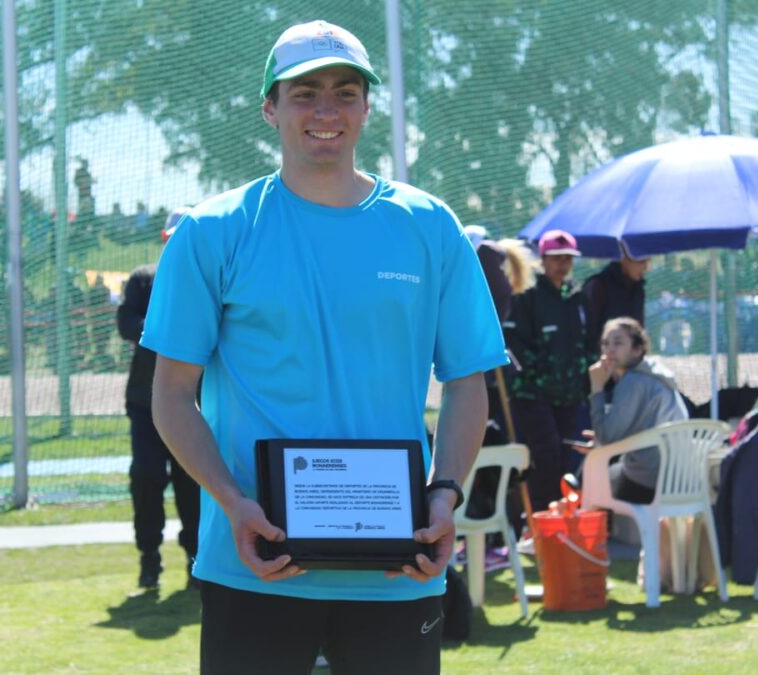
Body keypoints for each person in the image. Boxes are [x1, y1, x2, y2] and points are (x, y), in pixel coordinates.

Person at [141, 20, 504, 675]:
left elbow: (467, 381)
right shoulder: (212, 231)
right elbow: (170, 394)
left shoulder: (430, 226)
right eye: (304, 93)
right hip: (257, 563)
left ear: (366, 108)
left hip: (398, 568)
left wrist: (446, 492)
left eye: (345, 92)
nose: (326, 111)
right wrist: (232, 503)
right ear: (270, 108)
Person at [116, 208, 201, 591]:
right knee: (147, 477)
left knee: (194, 482)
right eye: (173, 239)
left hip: (196, 406)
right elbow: (126, 323)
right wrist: (169, 329)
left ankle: (197, 560)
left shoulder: (210, 281)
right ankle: (149, 558)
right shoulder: (143, 279)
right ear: (165, 239)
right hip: (145, 402)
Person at [503, 229, 588, 513]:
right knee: (545, 453)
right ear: (543, 259)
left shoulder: (575, 295)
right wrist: (536, 372)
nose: (563, 264)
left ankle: (560, 516)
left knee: (565, 455)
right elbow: (514, 342)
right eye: (556, 258)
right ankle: (539, 517)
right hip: (533, 395)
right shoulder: (526, 294)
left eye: (568, 258)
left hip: (568, 395)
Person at [583, 317, 688, 504]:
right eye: (605, 343)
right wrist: (600, 440)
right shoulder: (653, 375)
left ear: (638, 349)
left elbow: (607, 437)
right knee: (613, 473)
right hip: (681, 479)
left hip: (650, 481)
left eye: (618, 343)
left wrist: (597, 388)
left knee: (595, 483)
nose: (609, 350)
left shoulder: (632, 381)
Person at [582, 251, 650, 359]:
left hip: (632, 361)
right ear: (624, 259)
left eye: (647, 262)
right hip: (605, 362)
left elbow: (639, 329)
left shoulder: (638, 289)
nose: (646, 268)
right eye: (641, 262)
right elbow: (589, 333)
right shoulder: (598, 286)